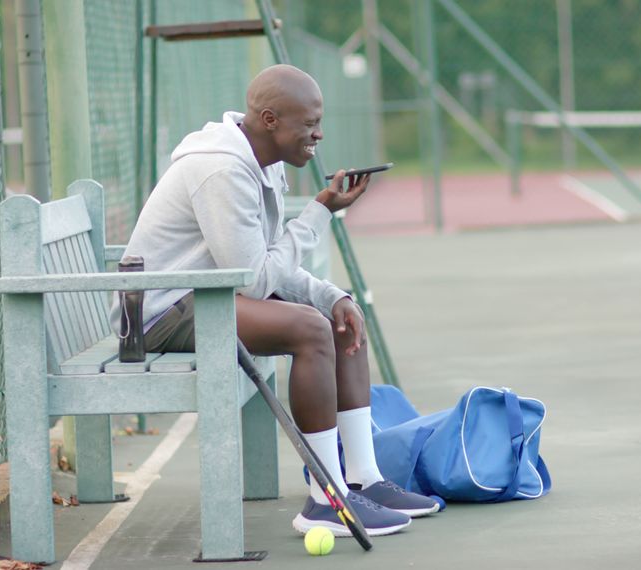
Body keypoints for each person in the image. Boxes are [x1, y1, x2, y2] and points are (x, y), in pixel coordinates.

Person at [110, 64, 438, 536]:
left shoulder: (262, 163)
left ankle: (363, 478)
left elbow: (265, 262)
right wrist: (320, 211)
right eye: (309, 125)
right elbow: (257, 279)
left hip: (204, 295)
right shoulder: (221, 169)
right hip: (155, 314)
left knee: (341, 316)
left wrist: (333, 295)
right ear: (270, 120)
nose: (318, 134)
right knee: (310, 329)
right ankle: (327, 500)